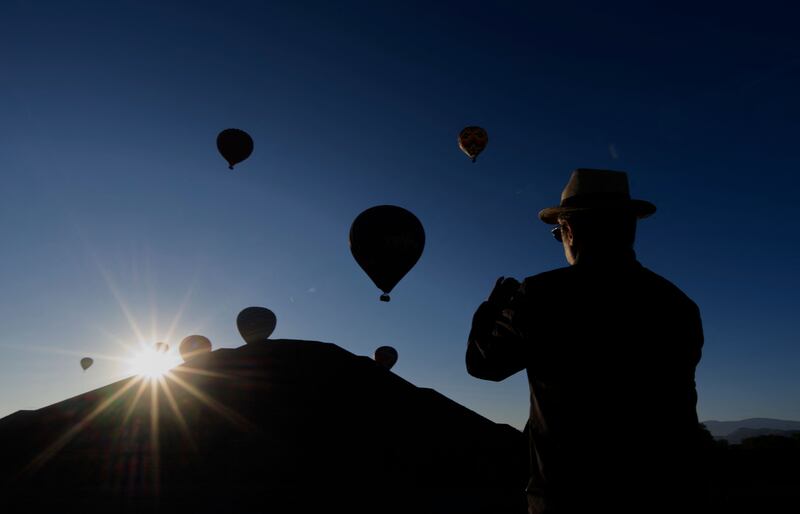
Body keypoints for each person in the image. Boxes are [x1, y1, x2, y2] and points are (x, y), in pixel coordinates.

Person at [466, 169, 708, 514]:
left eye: (557, 233)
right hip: (668, 494)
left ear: (569, 230)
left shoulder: (540, 295)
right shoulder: (678, 304)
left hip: (569, 495)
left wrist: (490, 310)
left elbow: (484, 366)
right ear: (629, 229)